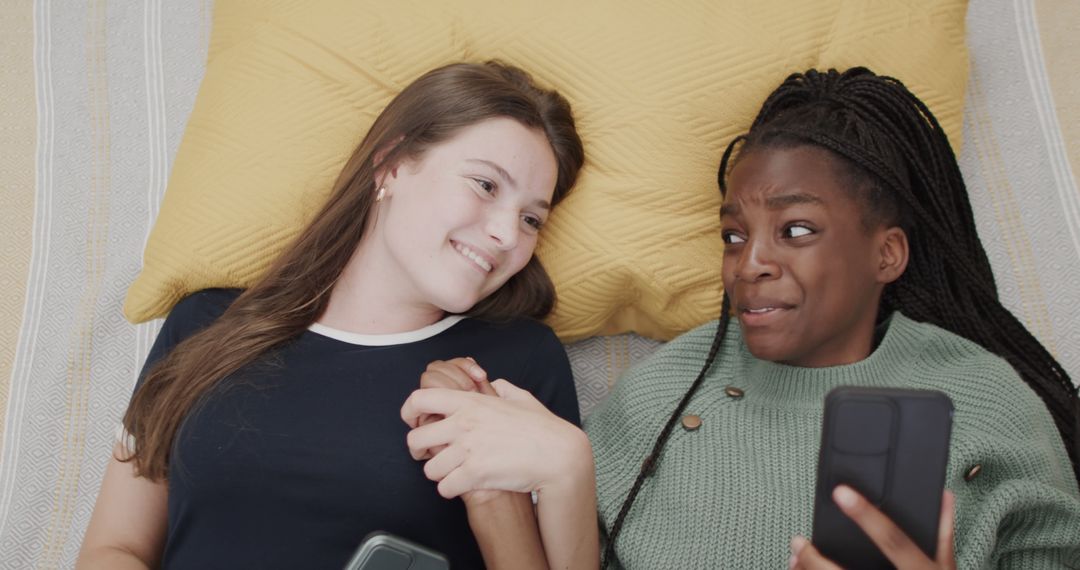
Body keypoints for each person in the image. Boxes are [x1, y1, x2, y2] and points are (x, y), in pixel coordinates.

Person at [401, 67, 1080, 568]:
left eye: (796, 230)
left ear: (887, 253)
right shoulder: (660, 395)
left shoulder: (989, 401)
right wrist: (491, 488)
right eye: (733, 235)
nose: (748, 262)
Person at [77, 60, 585, 570]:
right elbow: (113, 548)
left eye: (531, 219)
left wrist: (567, 468)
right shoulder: (206, 326)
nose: (507, 234)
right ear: (391, 163)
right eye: (486, 185)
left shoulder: (519, 366)